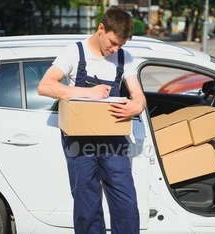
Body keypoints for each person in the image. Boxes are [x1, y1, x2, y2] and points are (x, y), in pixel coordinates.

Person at [38, 7, 146, 234]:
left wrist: (137, 106)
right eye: (112, 42)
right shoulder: (74, 52)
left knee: (126, 204)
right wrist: (88, 92)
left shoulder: (124, 57)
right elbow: (45, 86)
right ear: (101, 28)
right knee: (87, 207)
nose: (115, 49)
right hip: (79, 141)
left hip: (114, 140)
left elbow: (139, 96)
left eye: (120, 45)